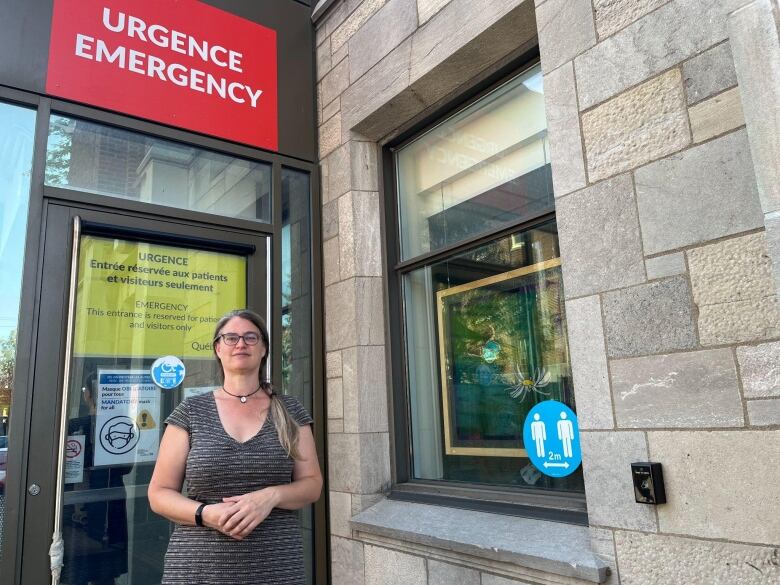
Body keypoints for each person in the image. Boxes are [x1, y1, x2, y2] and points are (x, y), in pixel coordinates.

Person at [148, 309, 322, 584]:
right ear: (218, 348)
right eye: (231, 337)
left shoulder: (290, 410)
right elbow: (158, 493)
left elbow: (312, 484)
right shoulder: (191, 411)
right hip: (198, 569)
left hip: (275, 567)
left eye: (250, 337)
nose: (240, 344)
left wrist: (270, 496)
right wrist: (206, 514)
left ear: (263, 348)